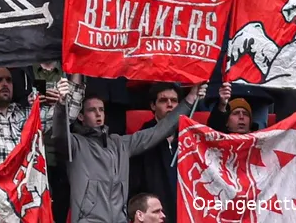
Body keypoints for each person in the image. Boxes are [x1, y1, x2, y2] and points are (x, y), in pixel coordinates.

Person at [55, 84, 204, 223]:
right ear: (81, 117)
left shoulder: (121, 143)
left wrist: (190, 99)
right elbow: (59, 134)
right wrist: (61, 106)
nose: (98, 114)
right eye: (91, 110)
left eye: (101, 109)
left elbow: (160, 131)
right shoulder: (74, 144)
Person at [128, 84, 181, 216]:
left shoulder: (188, 136)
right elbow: (135, 185)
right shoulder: (141, 140)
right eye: (163, 100)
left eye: (174, 101)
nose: (170, 105)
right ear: (153, 106)